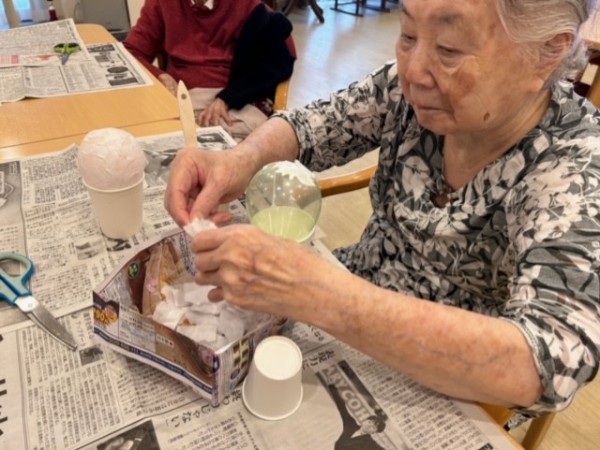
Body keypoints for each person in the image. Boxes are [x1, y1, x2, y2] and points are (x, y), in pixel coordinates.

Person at [164, 0, 600, 420]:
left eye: (449, 49)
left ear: (546, 54)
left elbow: (549, 361)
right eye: (407, 34)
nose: (412, 73)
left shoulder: (575, 166)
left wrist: (317, 293)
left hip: (452, 390)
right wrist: (239, 161)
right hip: (351, 296)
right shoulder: (406, 88)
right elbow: (311, 126)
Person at [123, 0, 295, 140]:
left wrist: (228, 98)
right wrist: (160, 75)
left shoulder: (249, 7)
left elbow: (280, 60)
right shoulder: (162, 3)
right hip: (182, 98)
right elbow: (131, 52)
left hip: (230, 100)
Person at [326, 384, 388, 450]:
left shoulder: (369, 443)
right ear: (364, 420)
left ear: (373, 432)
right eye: (370, 422)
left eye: (373, 427)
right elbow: (342, 407)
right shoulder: (351, 425)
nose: (369, 426)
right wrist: (332, 388)